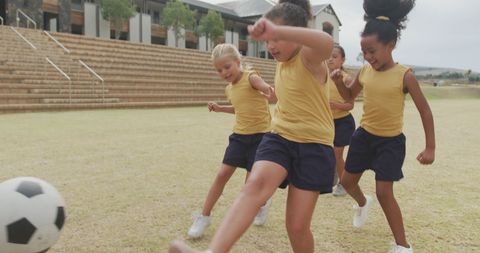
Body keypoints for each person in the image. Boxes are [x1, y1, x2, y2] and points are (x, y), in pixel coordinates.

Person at [169, 0, 335, 252]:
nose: (270, 46)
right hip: (280, 137)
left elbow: (325, 42)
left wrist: (280, 30)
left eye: (276, 38)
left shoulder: (309, 57)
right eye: (268, 40)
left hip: (314, 145)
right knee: (254, 187)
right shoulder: (282, 61)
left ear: (297, 33)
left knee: (297, 227)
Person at [331, 0, 435, 252]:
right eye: (364, 51)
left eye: (372, 51)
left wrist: (430, 146)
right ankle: (362, 202)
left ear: (391, 45)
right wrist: (338, 82)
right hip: (364, 137)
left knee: (384, 192)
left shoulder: (405, 75)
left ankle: (402, 246)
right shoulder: (366, 71)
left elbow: (424, 110)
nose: (368, 57)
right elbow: (349, 96)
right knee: (346, 182)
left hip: (390, 142)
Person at [187, 43, 275, 239]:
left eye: (227, 67)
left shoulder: (251, 76)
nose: (224, 72)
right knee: (222, 175)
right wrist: (220, 109)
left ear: (237, 62)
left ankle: (261, 203)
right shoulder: (229, 89)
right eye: (219, 70)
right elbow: (239, 109)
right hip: (239, 137)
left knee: (250, 184)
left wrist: (268, 90)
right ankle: (204, 216)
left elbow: (264, 87)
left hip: (261, 138)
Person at [327, 45, 355, 197]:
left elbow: (350, 105)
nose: (330, 59)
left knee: (337, 154)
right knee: (326, 153)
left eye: (335, 56)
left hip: (343, 122)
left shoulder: (347, 78)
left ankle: (344, 184)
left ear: (342, 60)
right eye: (328, 56)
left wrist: (335, 105)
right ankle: (332, 176)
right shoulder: (322, 76)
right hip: (326, 121)